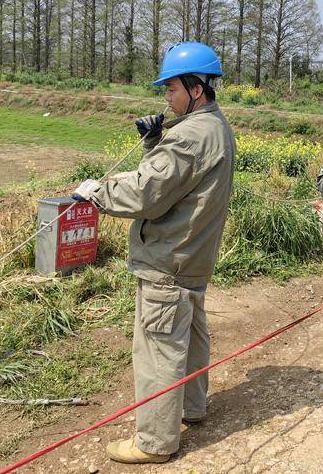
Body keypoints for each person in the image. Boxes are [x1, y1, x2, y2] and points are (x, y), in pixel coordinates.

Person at [72, 41, 236, 464]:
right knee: (192, 335)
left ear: (196, 88)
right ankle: (192, 408)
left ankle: (155, 442)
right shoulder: (214, 127)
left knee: (158, 349)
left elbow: (148, 195)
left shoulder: (189, 138)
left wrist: (98, 194)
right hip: (194, 258)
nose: (166, 96)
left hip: (168, 261)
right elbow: (179, 184)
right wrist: (154, 143)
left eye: (172, 88)